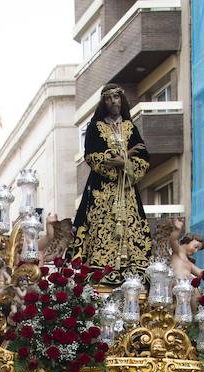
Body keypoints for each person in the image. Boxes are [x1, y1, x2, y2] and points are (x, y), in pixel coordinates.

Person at [66, 84, 151, 283]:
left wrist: (125, 162)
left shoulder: (130, 128)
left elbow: (144, 158)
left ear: (122, 101)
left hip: (127, 192)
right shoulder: (96, 127)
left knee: (132, 229)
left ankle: (131, 274)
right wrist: (122, 157)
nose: (113, 102)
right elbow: (92, 155)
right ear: (104, 103)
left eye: (116, 98)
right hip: (102, 190)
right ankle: (101, 271)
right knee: (100, 228)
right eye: (109, 98)